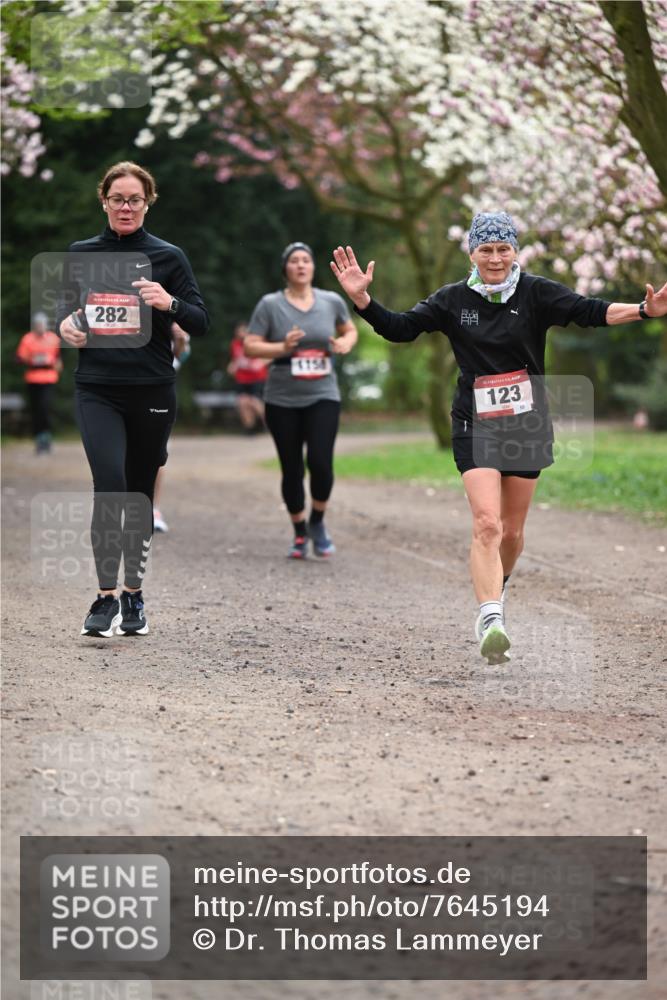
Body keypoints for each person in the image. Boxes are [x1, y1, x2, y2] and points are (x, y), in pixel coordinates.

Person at [331, 213, 667, 664]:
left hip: (526, 424)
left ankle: (496, 590)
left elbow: (590, 310)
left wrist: (644, 310)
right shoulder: (452, 300)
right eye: (485, 249)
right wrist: (363, 300)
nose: (494, 257)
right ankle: (491, 618)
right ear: (471, 252)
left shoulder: (536, 292)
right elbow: (401, 327)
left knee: (511, 532)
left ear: (515, 252)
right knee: (487, 523)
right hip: (475, 421)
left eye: (503, 248)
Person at [57, 161, 209, 637]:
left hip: (152, 389)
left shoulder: (169, 257)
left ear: (148, 203)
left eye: (135, 200)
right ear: (104, 201)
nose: (126, 207)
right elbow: (65, 314)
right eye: (118, 199)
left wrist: (170, 303)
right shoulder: (81, 255)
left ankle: (134, 597)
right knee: (109, 484)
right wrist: (66, 327)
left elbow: (202, 320)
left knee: (140, 496)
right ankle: (104, 599)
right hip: (98, 389)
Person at [244, 241, 358, 558]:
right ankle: (298, 531)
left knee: (321, 462)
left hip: (323, 392)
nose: (301, 265)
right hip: (282, 397)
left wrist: (345, 343)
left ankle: (317, 521)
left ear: (312, 267)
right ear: (286, 269)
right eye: (294, 261)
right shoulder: (270, 305)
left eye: (306, 260)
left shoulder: (331, 300)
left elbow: (350, 330)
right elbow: (251, 346)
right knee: (291, 467)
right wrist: (282, 346)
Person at [153, 321, 191, 533]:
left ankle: (154, 510)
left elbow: (178, 358)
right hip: (124, 392)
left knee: (157, 456)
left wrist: (180, 340)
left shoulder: (175, 316)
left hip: (159, 395)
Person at [16, 312, 63, 453]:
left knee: (45, 408)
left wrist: (54, 363)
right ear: (34, 326)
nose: (40, 327)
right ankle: (39, 439)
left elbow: (59, 359)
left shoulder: (54, 339)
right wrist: (31, 359)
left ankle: (46, 438)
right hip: (33, 378)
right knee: (36, 410)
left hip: (49, 378)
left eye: (42, 324)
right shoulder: (27, 339)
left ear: (45, 325)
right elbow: (19, 358)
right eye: (37, 324)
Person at [227, 321, 268, 433]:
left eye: (243, 330)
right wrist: (232, 366)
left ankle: (270, 425)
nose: (241, 333)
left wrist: (260, 363)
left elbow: (269, 356)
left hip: (257, 378)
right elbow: (235, 360)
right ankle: (249, 428)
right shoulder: (234, 344)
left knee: (255, 402)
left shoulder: (257, 342)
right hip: (242, 378)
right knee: (243, 402)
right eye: (239, 330)